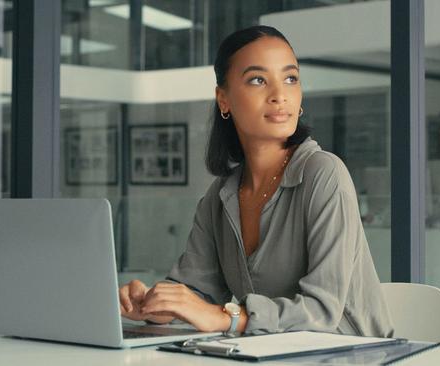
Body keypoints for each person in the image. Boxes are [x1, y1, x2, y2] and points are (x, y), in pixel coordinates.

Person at [119, 25, 394, 337]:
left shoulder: (324, 174)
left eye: (290, 78)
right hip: (270, 355)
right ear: (223, 99)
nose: (280, 95)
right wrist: (154, 306)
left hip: (352, 355)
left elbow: (322, 310)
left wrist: (226, 318)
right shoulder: (219, 197)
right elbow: (197, 292)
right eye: (258, 80)